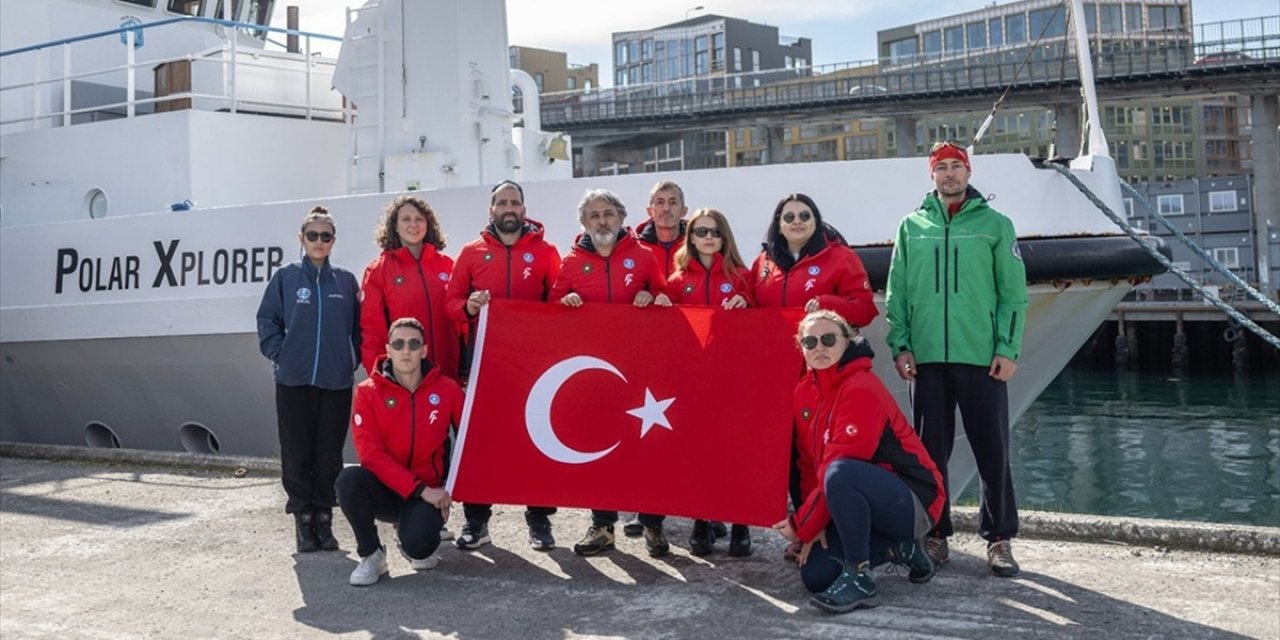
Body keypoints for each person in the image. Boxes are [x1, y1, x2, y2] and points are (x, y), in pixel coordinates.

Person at [884, 140, 1028, 577]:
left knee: (992, 449)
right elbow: (897, 292)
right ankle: (936, 533)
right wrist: (901, 345)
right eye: (941, 167)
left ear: (968, 172)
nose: (949, 174)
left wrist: (1007, 348)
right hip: (927, 358)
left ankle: (999, 538)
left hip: (981, 357)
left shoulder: (996, 225)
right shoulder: (911, 227)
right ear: (931, 175)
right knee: (929, 453)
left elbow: (1012, 293)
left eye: (956, 166)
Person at [773, 310, 945, 614]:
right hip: (857, 498)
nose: (819, 348)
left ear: (848, 340)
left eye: (828, 339)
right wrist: (815, 527)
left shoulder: (861, 387)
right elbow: (810, 465)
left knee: (841, 471)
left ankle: (861, 578)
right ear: (801, 347)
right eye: (810, 342)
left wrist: (801, 525)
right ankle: (899, 548)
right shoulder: (803, 391)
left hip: (914, 498)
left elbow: (841, 465)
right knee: (816, 576)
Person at [549, 188, 673, 557]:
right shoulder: (571, 262)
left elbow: (667, 300)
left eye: (607, 213)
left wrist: (652, 298)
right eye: (594, 215)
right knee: (599, 447)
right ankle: (602, 525)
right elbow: (550, 309)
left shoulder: (644, 256)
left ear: (621, 217)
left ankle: (652, 523)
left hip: (640, 370)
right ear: (584, 223)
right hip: (595, 373)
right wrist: (565, 302)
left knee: (647, 448)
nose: (602, 221)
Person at [444, 180, 562, 552]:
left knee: (536, 440)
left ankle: (539, 521)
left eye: (514, 202)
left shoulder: (546, 252)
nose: (509, 208)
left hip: (533, 365)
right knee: (481, 442)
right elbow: (451, 302)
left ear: (524, 209)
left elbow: (559, 300)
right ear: (491, 210)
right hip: (484, 364)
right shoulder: (471, 252)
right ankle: (476, 521)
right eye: (502, 203)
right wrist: (468, 307)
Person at [256, 206, 361, 554]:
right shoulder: (286, 278)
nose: (319, 241)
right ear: (301, 239)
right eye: (312, 235)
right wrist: (280, 353)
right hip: (293, 379)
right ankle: (303, 519)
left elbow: (358, 329)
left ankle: (324, 519)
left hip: (336, 380)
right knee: (296, 451)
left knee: (329, 453)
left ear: (333, 241)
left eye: (325, 236)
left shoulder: (345, 281)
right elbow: (267, 319)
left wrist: (351, 359)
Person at [336, 317, 464, 587]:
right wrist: (419, 489)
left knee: (420, 549)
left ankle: (407, 535)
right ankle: (371, 554)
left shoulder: (447, 389)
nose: (406, 351)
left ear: (424, 350)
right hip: (388, 490)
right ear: (388, 349)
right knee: (348, 480)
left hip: (427, 494)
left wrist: (449, 488)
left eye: (414, 344)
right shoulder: (367, 392)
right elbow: (370, 455)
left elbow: (470, 438)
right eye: (399, 344)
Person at [666, 208, 755, 557]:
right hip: (693, 381)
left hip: (734, 379)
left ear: (724, 237)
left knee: (735, 451)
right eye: (700, 231)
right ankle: (702, 519)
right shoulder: (677, 280)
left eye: (714, 232)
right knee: (699, 452)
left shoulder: (743, 277)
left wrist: (747, 305)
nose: (708, 237)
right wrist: (658, 303)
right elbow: (664, 328)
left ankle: (741, 523)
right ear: (690, 237)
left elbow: (762, 322)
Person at [360, 195, 460, 381]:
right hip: (405, 378)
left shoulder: (448, 266)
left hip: (448, 373)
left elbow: (462, 323)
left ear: (428, 224)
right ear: (395, 226)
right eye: (406, 219)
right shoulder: (378, 271)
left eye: (419, 219)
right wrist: (379, 376)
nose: (413, 224)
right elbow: (372, 330)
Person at [751, 193, 877, 328]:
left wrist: (827, 305)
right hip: (771, 340)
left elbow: (865, 311)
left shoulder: (843, 258)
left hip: (821, 340)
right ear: (779, 226)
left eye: (804, 216)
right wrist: (742, 300)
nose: (797, 221)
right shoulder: (762, 262)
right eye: (789, 217)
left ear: (816, 222)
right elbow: (750, 306)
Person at [635, 179, 688, 275]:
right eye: (660, 202)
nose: (666, 209)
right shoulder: (636, 248)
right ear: (650, 211)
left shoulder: (696, 246)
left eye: (673, 202)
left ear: (684, 211)